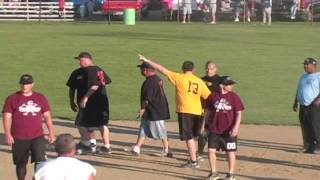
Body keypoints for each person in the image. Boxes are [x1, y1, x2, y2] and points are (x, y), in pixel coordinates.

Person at [138, 54, 211, 168]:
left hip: (185, 111)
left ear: (183, 69)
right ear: (193, 70)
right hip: (198, 112)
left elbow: (161, 69)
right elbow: (208, 97)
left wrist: (147, 60)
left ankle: (193, 161)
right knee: (193, 136)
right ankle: (195, 157)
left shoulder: (179, 77)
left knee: (188, 137)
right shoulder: (199, 81)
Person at [2, 74, 55, 180]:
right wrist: (8, 134)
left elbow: (47, 116)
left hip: (37, 135)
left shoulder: (40, 97)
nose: (24, 86)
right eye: (22, 84)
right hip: (19, 136)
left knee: (40, 161)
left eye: (27, 84)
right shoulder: (12, 98)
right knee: (21, 163)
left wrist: (51, 132)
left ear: (32, 84)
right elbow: (7, 117)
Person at [70, 52, 112, 154]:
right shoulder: (98, 70)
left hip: (91, 102)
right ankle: (105, 146)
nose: (79, 62)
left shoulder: (92, 70)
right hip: (101, 101)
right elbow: (72, 88)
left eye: (80, 60)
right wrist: (72, 101)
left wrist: (85, 98)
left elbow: (95, 86)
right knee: (100, 123)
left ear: (86, 59)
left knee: (80, 123)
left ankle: (87, 144)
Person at [204, 76, 244, 180]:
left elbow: (239, 114)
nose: (232, 86)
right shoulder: (212, 96)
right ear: (222, 85)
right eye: (229, 84)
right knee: (211, 151)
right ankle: (214, 172)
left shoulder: (234, 97)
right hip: (214, 129)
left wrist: (236, 128)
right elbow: (207, 113)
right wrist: (205, 126)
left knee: (230, 152)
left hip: (229, 131)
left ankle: (230, 174)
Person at [130, 62, 173, 157]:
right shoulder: (157, 79)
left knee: (161, 130)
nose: (141, 70)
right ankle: (137, 147)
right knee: (143, 127)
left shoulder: (149, 82)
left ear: (146, 70)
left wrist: (142, 109)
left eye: (142, 69)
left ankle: (167, 149)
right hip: (154, 109)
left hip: (155, 110)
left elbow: (147, 98)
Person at [293, 57, 320, 154]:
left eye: (307, 64)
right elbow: (299, 89)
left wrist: (318, 100)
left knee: (315, 125)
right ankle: (307, 146)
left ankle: (318, 146)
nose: (305, 66)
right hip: (303, 105)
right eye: (304, 64)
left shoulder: (318, 76)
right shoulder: (303, 76)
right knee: (305, 126)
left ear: (314, 66)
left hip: (314, 106)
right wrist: (295, 101)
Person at [197, 61, 220, 161]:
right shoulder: (201, 80)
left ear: (215, 69)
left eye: (211, 69)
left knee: (217, 131)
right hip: (203, 109)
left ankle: (216, 150)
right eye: (207, 68)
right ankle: (200, 153)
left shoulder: (220, 80)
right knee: (202, 132)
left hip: (216, 111)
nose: (208, 70)